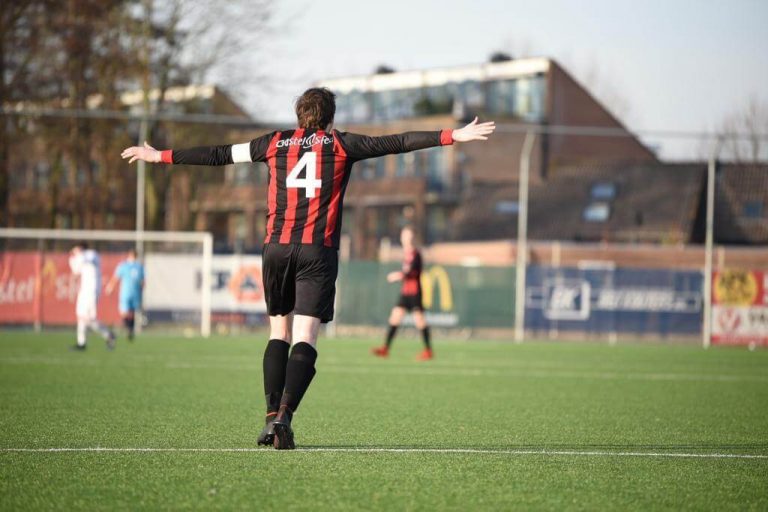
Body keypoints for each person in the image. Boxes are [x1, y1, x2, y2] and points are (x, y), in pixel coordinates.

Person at [121, 87, 495, 450]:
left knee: (278, 332)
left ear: (299, 116)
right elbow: (396, 143)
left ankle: (270, 414)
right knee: (305, 337)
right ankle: (285, 415)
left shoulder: (272, 142)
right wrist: (453, 135)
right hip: (317, 251)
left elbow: (218, 154)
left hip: (276, 250)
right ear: (330, 120)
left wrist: (160, 156)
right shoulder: (340, 144)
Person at [372, 226, 432, 360]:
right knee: (395, 318)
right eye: (404, 235)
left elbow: (413, 273)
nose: (406, 238)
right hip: (405, 292)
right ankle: (385, 348)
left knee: (420, 321)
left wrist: (398, 275)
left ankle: (428, 350)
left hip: (415, 292)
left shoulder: (416, 254)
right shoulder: (406, 254)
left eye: (408, 235)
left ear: (413, 237)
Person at [68, 243, 115, 351]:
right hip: (83, 291)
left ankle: (108, 334)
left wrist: (78, 254)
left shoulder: (92, 254)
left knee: (89, 319)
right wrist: (71, 258)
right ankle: (81, 343)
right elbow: (75, 270)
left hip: (92, 291)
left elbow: (87, 259)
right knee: (81, 316)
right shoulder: (80, 258)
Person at [105, 249, 145, 340]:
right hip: (136, 293)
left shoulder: (123, 266)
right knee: (131, 313)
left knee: (125, 313)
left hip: (126, 292)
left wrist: (110, 287)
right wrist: (141, 291)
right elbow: (143, 282)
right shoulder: (140, 266)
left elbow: (116, 278)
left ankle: (126, 329)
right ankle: (130, 329)